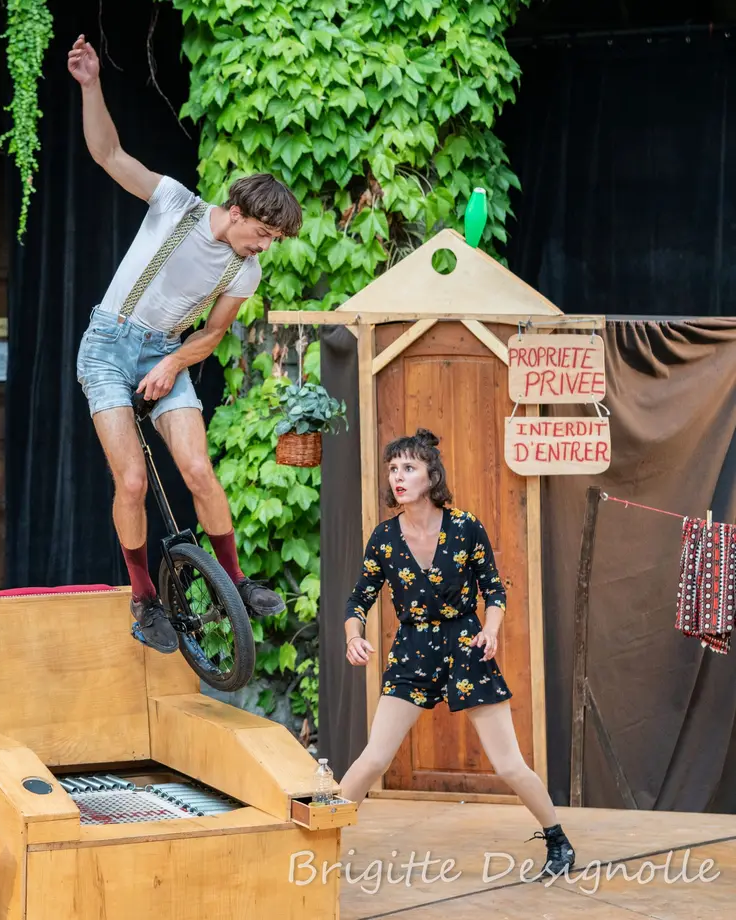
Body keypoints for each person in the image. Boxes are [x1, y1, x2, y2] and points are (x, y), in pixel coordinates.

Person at [67, 35, 301, 653]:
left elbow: (213, 334)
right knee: (132, 482)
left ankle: (236, 581)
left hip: (168, 352)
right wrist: (91, 84)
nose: (265, 246)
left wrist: (172, 362)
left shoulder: (245, 271)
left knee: (198, 470)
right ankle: (145, 599)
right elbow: (108, 153)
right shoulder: (176, 204)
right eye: (263, 232)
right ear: (238, 210)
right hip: (108, 346)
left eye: (274, 240)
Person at [339, 428, 576, 878]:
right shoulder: (384, 537)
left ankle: (558, 842)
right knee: (374, 759)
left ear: (432, 475)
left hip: (467, 647)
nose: (397, 477)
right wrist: (354, 636)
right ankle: (319, 841)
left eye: (408, 467)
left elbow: (494, 590)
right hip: (412, 650)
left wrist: (490, 630)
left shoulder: (466, 527)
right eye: (393, 469)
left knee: (508, 764)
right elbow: (358, 600)